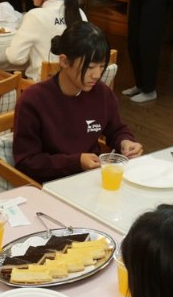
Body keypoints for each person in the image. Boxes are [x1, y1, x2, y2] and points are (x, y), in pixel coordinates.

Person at [12, 22, 142, 183]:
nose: (97, 75)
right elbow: (26, 162)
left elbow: (116, 129)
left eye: (102, 66)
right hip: (50, 184)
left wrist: (125, 141)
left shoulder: (102, 93)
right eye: (90, 67)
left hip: (91, 178)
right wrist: (76, 162)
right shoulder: (34, 100)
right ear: (64, 61)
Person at [5, 0, 86, 80]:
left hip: (42, 86)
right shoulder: (79, 13)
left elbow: (15, 58)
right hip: (74, 84)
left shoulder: (35, 16)